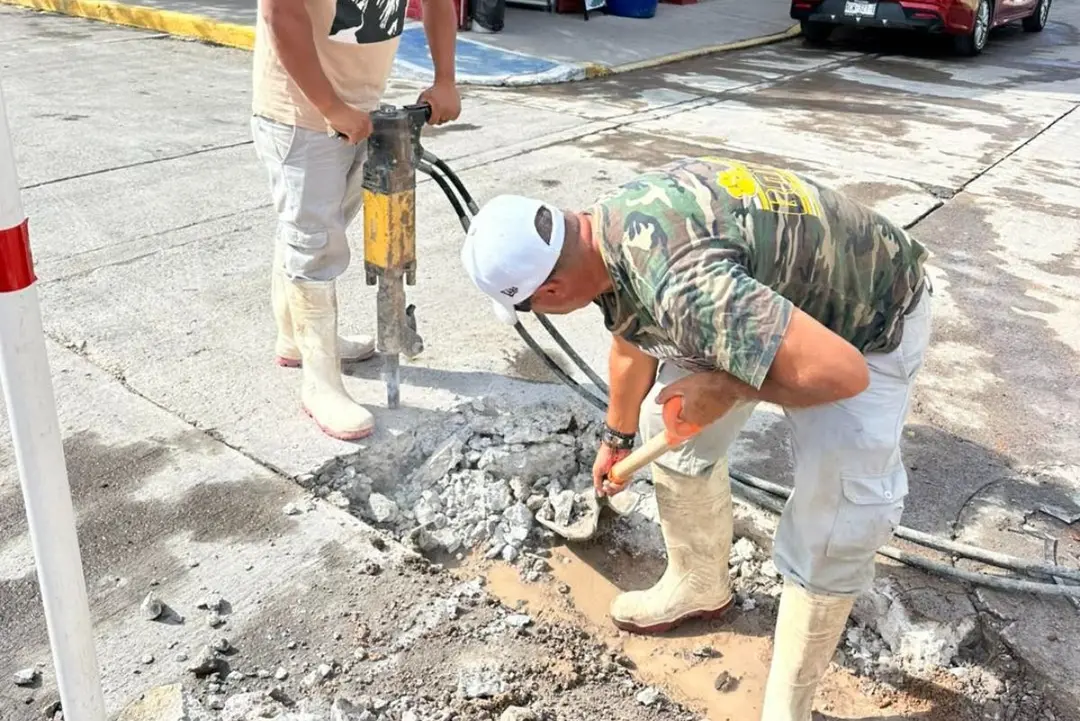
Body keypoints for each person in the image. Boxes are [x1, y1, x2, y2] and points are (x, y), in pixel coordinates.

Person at [460, 155, 932, 721]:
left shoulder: (684, 285)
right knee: (673, 434)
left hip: (863, 321)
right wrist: (618, 433)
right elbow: (631, 339)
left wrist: (730, 383)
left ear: (555, 289)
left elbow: (842, 373)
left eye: (529, 305)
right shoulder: (603, 235)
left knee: (836, 519)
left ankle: (789, 709)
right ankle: (699, 582)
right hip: (756, 304)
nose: (538, 312)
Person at [252, 0, 461, 440]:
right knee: (312, 240)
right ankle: (320, 381)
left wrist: (445, 79)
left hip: (360, 107)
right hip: (303, 112)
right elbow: (280, 13)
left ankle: (297, 338)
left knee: (316, 228)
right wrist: (331, 107)